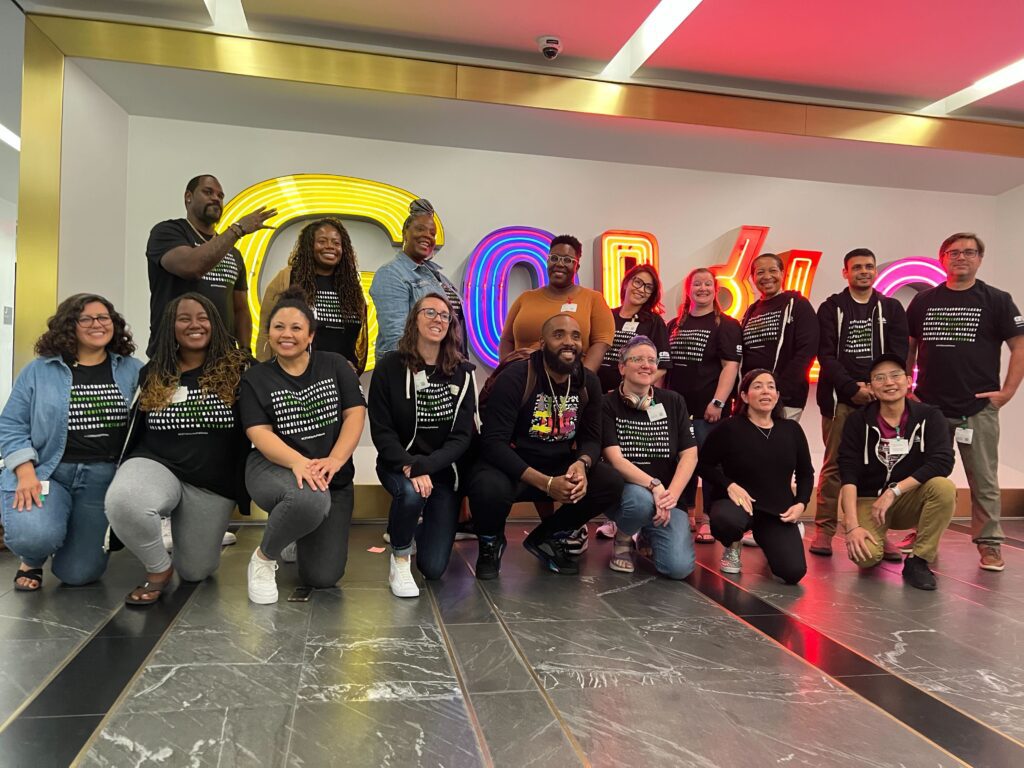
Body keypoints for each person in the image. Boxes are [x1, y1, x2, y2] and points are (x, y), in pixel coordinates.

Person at [105, 293, 251, 605]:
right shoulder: (154, 372)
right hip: (158, 464)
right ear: (171, 326)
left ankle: (183, 543)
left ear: (216, 323)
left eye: (203, 317)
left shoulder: (242, 369)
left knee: (197, 570)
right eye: (184, 318)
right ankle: (158, 570)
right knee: (125, 501)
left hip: (212, 482)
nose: (194, 324)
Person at [0, 295, 141, 591]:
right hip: (49, 473)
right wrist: (25, 473)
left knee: (78, 574)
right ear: (69, 326)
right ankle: (32, 558)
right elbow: (11, 424)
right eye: (86, 319)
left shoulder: (132, 369)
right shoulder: (39, 370)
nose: (97, 324)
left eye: (104, 317)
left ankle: (66, 538)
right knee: (34, 536)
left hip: (102, 479)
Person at [467, 314, 624, 578]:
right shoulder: (516, 378)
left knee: (610, 482)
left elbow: (591, 438)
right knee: (486, 486)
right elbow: (494, 444)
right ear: (542, 343)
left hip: (559, 462)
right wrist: (545, 483)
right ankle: (491, 543)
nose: (569, 342)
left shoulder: (588, 382)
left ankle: (547, 536)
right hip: (512, 464)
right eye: (559, 334)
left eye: (575, 336)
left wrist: (582, 464)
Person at [240, 288, 366, 603]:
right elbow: (259, 433)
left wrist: (336, 460)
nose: (287, 334)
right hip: (274, 467)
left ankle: (294, 529)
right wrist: (299, 462)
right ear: (268, 333)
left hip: (331, 476)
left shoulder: (335, 365)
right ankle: (264, 558)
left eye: (296, 328)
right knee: (309, 498)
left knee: (323, 577)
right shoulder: (256, 378)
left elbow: (355, 413)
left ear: (310, 335)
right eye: (279, 327)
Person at [907, 232, 1024, 572]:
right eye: (954, 252)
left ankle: (989, 544)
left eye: (969, 252)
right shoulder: (924, 301)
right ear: (942, 258)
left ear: (979, 259)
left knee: (984, 480)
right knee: (925, 477)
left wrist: (1008, 391)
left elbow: (1019, 346)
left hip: (978, 407)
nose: (961, 257)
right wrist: (907, 388)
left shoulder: (997, 300)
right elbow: (910, 347)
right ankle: (922, 536)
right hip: (929, 406)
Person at [369, 293, 478, 597]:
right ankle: (401, 558)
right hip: (398, 464)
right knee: (410, 492)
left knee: (432, 568)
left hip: (442, 472)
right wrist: (409, 465)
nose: (438, 319)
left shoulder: (464, 373)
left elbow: (461, 438)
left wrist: (425, 466)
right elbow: (382, 430)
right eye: (429, 312)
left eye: (444, 315)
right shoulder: (389, 367)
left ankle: (412, 529)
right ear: (414, 320)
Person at [811, 248, 908, 556]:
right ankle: (824, 530)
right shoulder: (831, 308)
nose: (864, 271)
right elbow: (825, 354)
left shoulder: (891, 308)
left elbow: (898, 355)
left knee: (882, 465)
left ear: (875, 270)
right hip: (841, 399)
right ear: (846, 273)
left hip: (882, 401)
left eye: (869, 266)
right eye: (857, 267)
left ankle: (879, 530)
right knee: (835, 465)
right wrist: (852, 387)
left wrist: (880, 387)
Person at [839, 354, 955, 590]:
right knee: (865, 556)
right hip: (869, 500)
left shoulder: (930, 416)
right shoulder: (857, 421)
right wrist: (852, 526)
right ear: (870, 386)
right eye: (880, 378)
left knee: (944, 488)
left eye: (895, 376)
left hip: (905, 498)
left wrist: (894, 491)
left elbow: (942, 462)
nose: (889, 383)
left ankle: (919, 560)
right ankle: (876, 540)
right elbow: (848, 474)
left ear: (907, 380)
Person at [699, 369, 813, 584]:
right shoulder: (729, 428)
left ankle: (773, 541)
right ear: (744, 396)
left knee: (793, 572)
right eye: (758, 386)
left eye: (771, 387)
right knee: (727, 521)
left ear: (777, 395)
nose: (765, 391)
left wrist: (801, 504)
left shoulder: (791, 430)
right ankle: (732, 545)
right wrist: (729, 484)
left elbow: (806, 473)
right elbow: (703, 465)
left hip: (775, 511)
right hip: (738, 505)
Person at [145, 174, 275, 355]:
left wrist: (244, 351)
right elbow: (192, 267)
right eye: (208, 192)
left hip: (222, 360)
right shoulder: (168, 232)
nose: (216, 198)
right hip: (173, 357)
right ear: (188, 196)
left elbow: (240, 309)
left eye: (220, 196)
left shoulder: (233, 253)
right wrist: (238, 229)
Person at [601, 336, 697, 579]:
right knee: (640, 501)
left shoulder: (673, 401)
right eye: (638, 359)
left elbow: (690, 455)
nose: (647, 365)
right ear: (622, 367)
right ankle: (623, 539)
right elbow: (614, 459)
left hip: (665, 495)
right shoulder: (606, 403)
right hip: (627, 494)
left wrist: (670, 496)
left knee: (678, 569)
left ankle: (645, 532)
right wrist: (654, 485)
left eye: (651, 360)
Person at [665, 267, 742, 543]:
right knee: (680, 463)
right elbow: (665, 368)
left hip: (708, 410)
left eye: (707, 284)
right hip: (676, 411)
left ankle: (708, 517)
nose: (702, 289)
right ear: (688, 289)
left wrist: (718, 402)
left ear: (715, 288)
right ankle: (685, 514)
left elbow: (730, 366)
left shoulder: (726, 325)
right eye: (696, 284)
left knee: (710, 465)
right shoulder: (674, 324)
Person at [257, 217, 368, 373]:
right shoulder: (288, 278)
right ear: (309, 246)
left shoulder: (352, 286)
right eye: (322, 241)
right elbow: (266, 331)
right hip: (297, 378)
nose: (330, 247)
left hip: (342, 378)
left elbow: (357, 340)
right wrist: (266, 373)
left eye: (336, 243)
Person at [499, 235, 614, 373]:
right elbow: (506, 339)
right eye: (554, 258)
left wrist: (583, 379)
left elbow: (600, 344)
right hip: (523, 380)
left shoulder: (593, 299)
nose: (559, 264)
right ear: (547, 262)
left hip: (568, 382)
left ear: (577, 266)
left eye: (567, 260)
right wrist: (506, 371)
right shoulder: (525, 298)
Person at [370, 198, 466, 359]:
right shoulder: (391, 274)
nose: (427, 236)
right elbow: (396, 339)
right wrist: (420, 375)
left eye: (432, 233)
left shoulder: (438, 276)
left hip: (445, 368)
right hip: (414, 371)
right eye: (420, 229)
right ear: (405, 232)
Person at [740, 253, 819, 421]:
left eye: (773, 270)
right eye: (760, 272)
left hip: (785, 398)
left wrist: (780, 389)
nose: (767, 277)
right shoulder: (751, 311)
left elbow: (807, 350)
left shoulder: (798, 305)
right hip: (753, 399)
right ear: (753, 278)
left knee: (779, 445)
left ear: (783, 274)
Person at [597, 264, 670, 392]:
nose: (641, 290)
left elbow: (662, 367)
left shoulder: (654, 322)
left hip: (631, 396)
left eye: (648, 287)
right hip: (598, 392)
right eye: (638, 282)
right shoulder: (607, 315)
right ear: (626, 283)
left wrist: (629, 389)